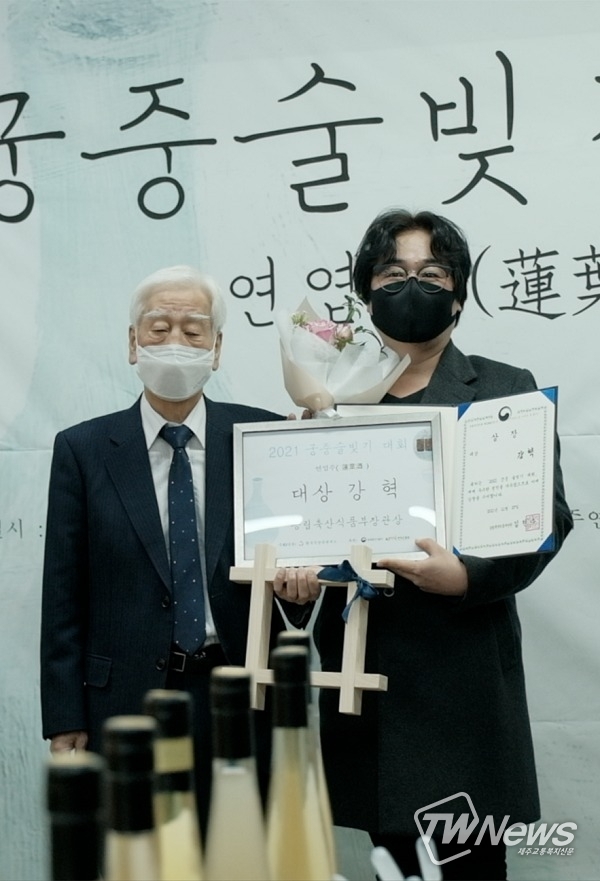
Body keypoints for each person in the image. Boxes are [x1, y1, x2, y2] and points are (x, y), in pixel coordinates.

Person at [280, 210, 573, 881]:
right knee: (392, 867)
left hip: (463, 675)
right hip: (370, 675)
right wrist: (297, 580)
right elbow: (305, 528)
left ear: (459, 295)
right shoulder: (330, 397)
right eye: (392, 274)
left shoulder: (504, 387)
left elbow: (546, 516)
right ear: (366, 294)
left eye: (431, 275)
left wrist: (467, 577)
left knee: (471, 868)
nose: (411, 287)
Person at [40, 265, 316, 834]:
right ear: (132, 342)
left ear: (217, 349)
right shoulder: (84, 450)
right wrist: (65, 717)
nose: (175, 342)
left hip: (240, 694)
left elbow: (299, 564)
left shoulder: (265, 438)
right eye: (159, 327)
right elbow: (63, 596)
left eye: (193, 331)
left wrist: (303, 586)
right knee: (139, 857)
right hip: (123, 704)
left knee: (243, 855)